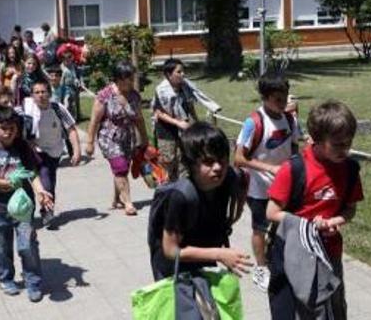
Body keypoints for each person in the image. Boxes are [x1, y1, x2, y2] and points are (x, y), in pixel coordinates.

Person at [265, 100, 362, 320]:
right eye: (338, 144)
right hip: (295, 254)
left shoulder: (350, 169)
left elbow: (350, 209)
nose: (345, 149)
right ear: (317, 139)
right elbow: (271, 212)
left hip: (330, 252)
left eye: (349, 143)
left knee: (334, 309)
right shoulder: (293, 169)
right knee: (300, 310)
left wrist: (335, 220)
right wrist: (307, 225)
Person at [150, 122, 252, 280]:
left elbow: (242, 178)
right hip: (175, 272)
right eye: (208, 162)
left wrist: (234, 214)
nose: (218, 167)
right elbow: (170, 250)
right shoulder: (181, 197)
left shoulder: (228, 179)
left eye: (223, 160)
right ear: (190, 164)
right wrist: (219, 254)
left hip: (205, 262)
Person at [233, 72, 304, 292]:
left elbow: (294, 146)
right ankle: (262, 266)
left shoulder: (290, 118)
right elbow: (238, 158)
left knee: (286, 225)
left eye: (285, 98)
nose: (283, 104)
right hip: (259, 189)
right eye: (277, 100)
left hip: (285, 187)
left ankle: (284, 260)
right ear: (264, 97)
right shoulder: (253, 122)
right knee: (259, 229)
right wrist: (270, 168)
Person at [0, 106, 53, 302]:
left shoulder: (23, 147)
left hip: (23, 210)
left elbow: (32, 173)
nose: (8, 132)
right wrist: (4, 183)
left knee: (27, 245)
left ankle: (33, 281)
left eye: (12, 128)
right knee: (1, 246)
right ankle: (6, 278)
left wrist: (40, 190)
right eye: (3, 128)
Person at [85, 62, 149, 216]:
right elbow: (94, 120)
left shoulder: (134, 95)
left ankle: (116, 199)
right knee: (120, 167)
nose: (131, 81)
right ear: (118, 79)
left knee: (123, 168)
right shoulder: (105, 95)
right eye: (128, 78)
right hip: (109, 137)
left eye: (132, 78)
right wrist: (89, 143)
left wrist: (145, 138)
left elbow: (139, 119)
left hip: (128, 137)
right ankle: (128, 203)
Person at [23, 79, 81, 227]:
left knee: (49, 181)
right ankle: (37, 212)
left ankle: (46, 211)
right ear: (32, 95)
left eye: (43, 92)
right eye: (37, 92)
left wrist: (76, 151)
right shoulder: (26, 109)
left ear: (49, 93)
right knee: (34, 181)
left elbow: (71, 129)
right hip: (32, 150)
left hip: (53, 151)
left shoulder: (57, 108)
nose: (41, 95)